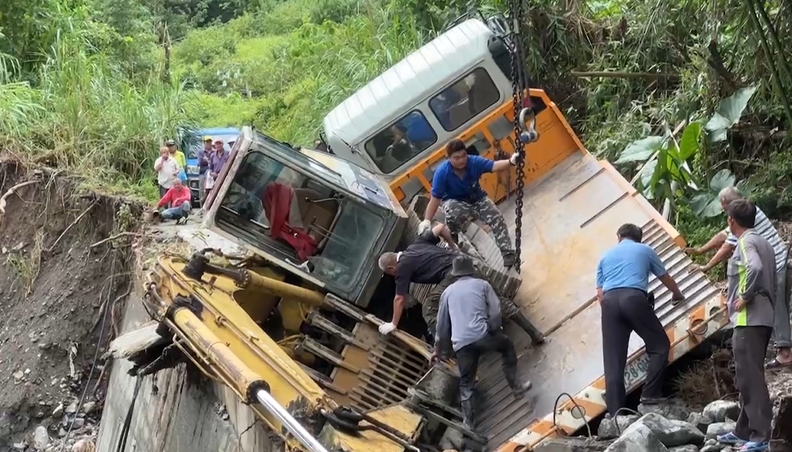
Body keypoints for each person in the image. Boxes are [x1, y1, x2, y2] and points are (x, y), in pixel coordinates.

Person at [377, 221, 544, 345]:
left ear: (392, 267)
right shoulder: (416, 245)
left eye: (390, 273)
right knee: (496, 298)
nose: (393, 275)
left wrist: (392, 324)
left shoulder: (402, 267)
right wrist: (453, 246)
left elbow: (399, 299)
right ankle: (535, 333)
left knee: (429, 308)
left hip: (453, 274)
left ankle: (449, 351)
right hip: (464, 263)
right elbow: (441, 227)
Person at [686, 186, 791, 370]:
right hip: (780, 262)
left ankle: (785, 354)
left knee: (777, 309)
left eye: (725, 209)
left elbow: (728, 245)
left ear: (729, 206)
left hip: (776, 266)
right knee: (779, 307)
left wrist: (707, 266)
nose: (726, 214)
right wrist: (701, 249)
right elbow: (724, 234)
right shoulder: (748, 211)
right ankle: (783, 348)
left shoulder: (746, 231)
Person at [432, 255, 532, 431]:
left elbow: (441, 326)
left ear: (455, 275)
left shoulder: (446, 294)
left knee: (466, 382)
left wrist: (438, 350)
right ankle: (516, 388)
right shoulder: (482, 285)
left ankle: (469, 423)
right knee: (507, 347)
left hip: (462, 344)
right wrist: (494, 329)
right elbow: (495, 310)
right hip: (483, 335)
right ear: (471, 270)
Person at [596, 223, 685, 416]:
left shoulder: (605, 257)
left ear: (619, 236)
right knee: (659, 345)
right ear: (639, 238)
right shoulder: (645, 250)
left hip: (609, 304)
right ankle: (650, 394)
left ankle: (616, 415)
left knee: (613, 362)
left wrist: (613, 314)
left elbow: (600, 294)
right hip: (633, 299)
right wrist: (677, 294)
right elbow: (664, 277)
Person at [715, 199, 775, 452]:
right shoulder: (765, 242)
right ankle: (743, 430)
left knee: (750, 377)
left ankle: (761, 436)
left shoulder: (746, 241)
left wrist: (744, 296)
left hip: (748, 319)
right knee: (748, 374)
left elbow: (755, 267)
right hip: (763, 318)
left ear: (731, 221)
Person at [421, 139, 521, 268]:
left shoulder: (474, 162)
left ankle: (507, 253)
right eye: (456, 158)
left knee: (497, 217)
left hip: (477, 199)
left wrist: (511, 162)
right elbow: (435, 200)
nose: (461, 160)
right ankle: (453, 231)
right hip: (456, 202)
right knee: (451, 208)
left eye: (463, 156)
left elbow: (494, 166)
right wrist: (427, 221)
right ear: (448, 158)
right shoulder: (442, 174)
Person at [197, 136, 213, 203]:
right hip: (203, 173)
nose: (209, 143)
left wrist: (207, 160)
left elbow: (214, 162)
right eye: (207, 142)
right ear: (204, 143)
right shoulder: (201, 152)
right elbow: (200, 162)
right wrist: (209, 161)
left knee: (211, 189)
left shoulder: (214, 152)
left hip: (212, 174)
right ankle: (202, 206)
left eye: (210, 142)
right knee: (202, 190)